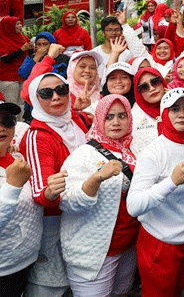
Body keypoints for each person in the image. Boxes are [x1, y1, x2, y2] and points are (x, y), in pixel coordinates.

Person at [127, 88, 184, 297]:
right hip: (160, 244)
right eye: (175, 109)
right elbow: (133, 205)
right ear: (164, 114)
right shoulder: (153, 152)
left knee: (177, 291)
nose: (182, 114)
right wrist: (170, 182)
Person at [59, 94, 140, 296]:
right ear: (99, 119)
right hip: (94, 253)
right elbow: (66, 200)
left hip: (128, 246)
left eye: (122, 116)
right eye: (109, 117)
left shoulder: (135, 148)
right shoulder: (83, 154)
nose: (116, 122)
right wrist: (96, 178)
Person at [20, 72, 88, 296]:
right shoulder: (36, 136)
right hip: (55, 224)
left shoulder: (76, 119)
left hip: (84, 217)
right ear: (34, 99)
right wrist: (51, 190)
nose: (56, 97)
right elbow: (40, 193)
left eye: (62, 90)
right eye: (46, 94)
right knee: (51, 286)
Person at [0, 100, 41, 296]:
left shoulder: (17, 159)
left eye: (8, 121)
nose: (2, 128)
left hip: (26, 261)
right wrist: (12, 187)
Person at [130, 67, 166, 155]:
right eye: (144, 87)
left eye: (155, 82)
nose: (152, 88)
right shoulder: (133, 117)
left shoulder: (180, 104)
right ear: (139, 93)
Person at [0, 17, 31, 107]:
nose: (20, 26)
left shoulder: (23, 38)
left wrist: (31, 48)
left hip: (23, 76)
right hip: (8, 78)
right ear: (9, 26)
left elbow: (28, 55)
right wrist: (21, 50)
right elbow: (6, 59)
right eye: (17, 24)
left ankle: (21, 121)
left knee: (22, 103)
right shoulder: (2, 40)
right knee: (11, 104)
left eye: (20, 23)